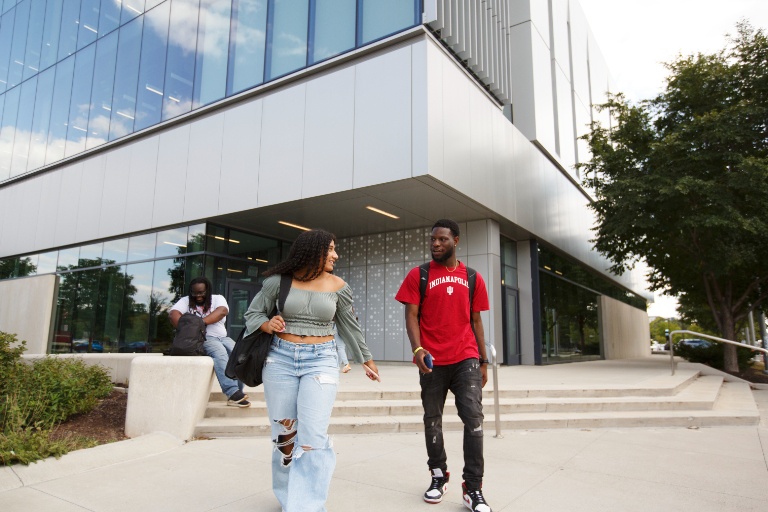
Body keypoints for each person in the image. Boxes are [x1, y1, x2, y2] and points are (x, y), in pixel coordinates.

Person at [244, 228, 379, 512]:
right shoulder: (277, 282)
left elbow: (348, 326)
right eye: (329, 249)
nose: (335, 255)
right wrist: (268, 324)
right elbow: (253, 314)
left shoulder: (338, 286)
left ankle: (307, 506)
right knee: (284, 436)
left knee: (313, 437)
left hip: (321, 359)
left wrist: (365, 358)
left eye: (334, 249)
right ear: (312, 251)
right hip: (279, 359)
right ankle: (288, 498)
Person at [395, 219, 493, 512]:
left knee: (474, 420)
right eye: (433, 240)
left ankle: (473, 488)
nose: (436, 244)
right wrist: (418, 349)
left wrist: (483, 359)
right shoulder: (419, 275)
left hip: (466, 358)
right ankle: (438, 475)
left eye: (442, 239)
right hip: (432, 361)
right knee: (432, 420)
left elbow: (476, 320)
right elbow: (411, 316)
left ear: (456, 241)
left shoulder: (473, 277)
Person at [170, 277, 250, 408]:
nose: (198, 296)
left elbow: (222, 311)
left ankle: (239, 392)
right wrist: (189, 330)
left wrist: (198, 323)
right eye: (195, 293)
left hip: (223, 337)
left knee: (240, 356)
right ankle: (232, 392)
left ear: (207, 290)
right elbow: (173, 314)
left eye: (201, 292)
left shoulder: (217, 298)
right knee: (221, 354)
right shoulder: (185, 301)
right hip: (204, 339)